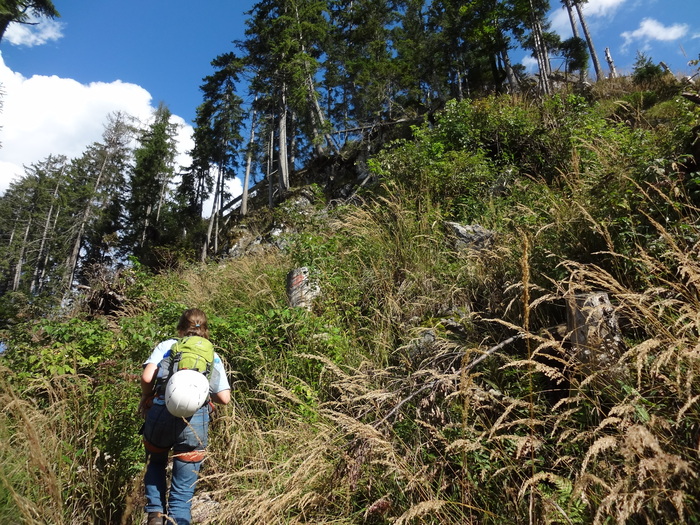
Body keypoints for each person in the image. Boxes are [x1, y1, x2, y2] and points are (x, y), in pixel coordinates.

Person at [139, 308, 231, 525]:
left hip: (161, 410)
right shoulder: (212, 355)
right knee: (182, 495)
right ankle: (178, 519)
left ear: (180, 328)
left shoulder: (167, 346)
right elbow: (224, 398)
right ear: (205, 330)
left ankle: (155, 514)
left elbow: (146, 376)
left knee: (155, 462)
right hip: (195, 419)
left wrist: (146, 397)